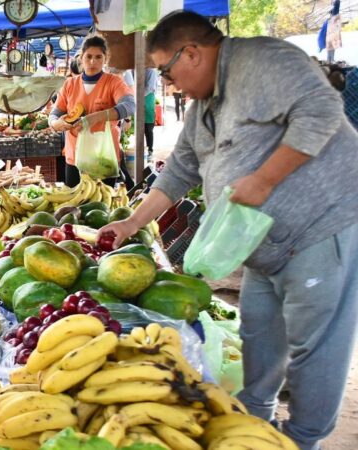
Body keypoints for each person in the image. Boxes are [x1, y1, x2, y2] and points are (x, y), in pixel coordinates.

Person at [100, 12, 358, 450]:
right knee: (258, 331)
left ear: (193, 53)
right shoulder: (205, 103)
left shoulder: (262, 60)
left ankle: (302, 439)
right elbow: (179, 168)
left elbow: (321, 110)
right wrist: (131, 222)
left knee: (316, 344)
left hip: (319, 226)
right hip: (260, 243)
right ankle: (250, 424)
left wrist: (264, 179)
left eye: (166, 70)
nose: (169, 83)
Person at [49, 36, 135, 187]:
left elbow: (130, 105)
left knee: (102, 206)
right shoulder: (70, 84)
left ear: (105, 59)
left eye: (98, 57)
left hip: (104, 156)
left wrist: (96, 117)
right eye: (88, 56)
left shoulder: (113, 82)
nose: (92, 61)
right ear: (81, 58)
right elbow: (54, 114)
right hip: (74, 158)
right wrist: (56, 124)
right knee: (75, 205)